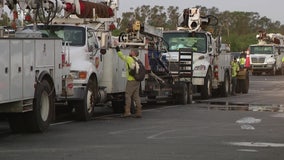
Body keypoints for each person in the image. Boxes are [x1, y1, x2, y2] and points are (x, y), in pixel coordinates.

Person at [114, 41, 143, 118]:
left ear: (133, 53)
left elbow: (121, 56)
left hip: (131, 80)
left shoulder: (129, 59)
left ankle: (127, 111)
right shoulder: (138, 60)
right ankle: (139, 111)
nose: (130, 52)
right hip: (137, 80)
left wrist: (117, 47)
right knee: (136, 96)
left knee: (128, 95)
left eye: (131, 51)